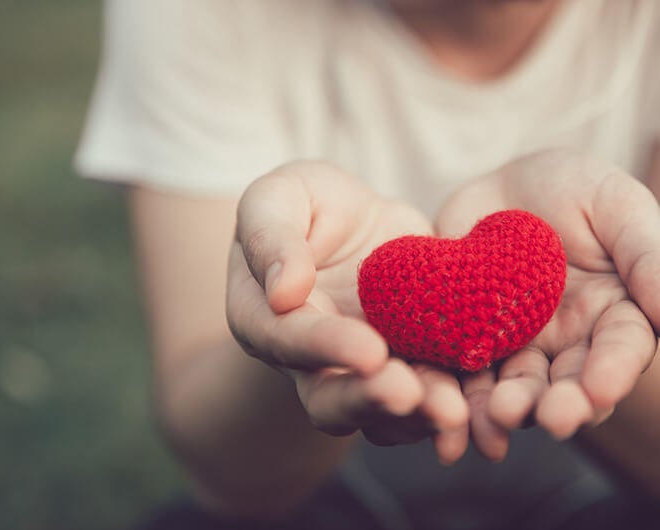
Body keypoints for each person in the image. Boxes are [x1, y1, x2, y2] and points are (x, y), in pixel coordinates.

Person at [75, 0, 660, 528]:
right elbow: (226, 472)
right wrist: (298, 337)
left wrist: (615, 308)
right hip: (325, 468)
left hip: (606, 464)